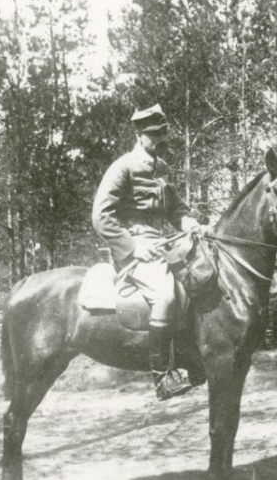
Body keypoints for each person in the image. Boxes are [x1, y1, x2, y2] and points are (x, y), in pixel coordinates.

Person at [92, 103, 203, 401]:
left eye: (162, 134)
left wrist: (189, 222)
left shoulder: (163, 168)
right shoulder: (123, 167)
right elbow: (101, 216)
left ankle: (190, 360)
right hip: (134, 249)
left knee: (193, 281)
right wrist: (132, 247)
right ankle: (162, 377)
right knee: (166, 293)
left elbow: (176, 208)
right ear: (140, 135)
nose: (159, 140)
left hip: (161, 244)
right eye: (153, 135)